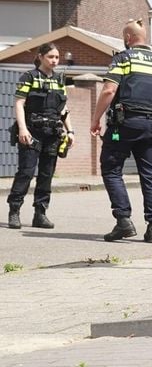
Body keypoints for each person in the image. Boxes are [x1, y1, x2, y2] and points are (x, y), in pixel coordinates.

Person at [90, 20, 152, 242]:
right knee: (149, 175)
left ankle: (123, 221)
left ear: (128, 38)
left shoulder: (124, 58)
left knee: (111, 169)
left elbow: (109, 90)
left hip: (124, 124)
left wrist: (96, 119)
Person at [6, 43, 74, 229]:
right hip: (32, 132)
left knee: (46, 175)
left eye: (57, 57)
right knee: (26, 173)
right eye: (51, 57)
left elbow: (64, 109)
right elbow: (19, 103)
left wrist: (70, 131)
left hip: (53, 134)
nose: (54, 61)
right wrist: (22, 129)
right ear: (41, 57)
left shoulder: (60, 80)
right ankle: (14, 211)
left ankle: (40, 214)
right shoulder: (29, 77)